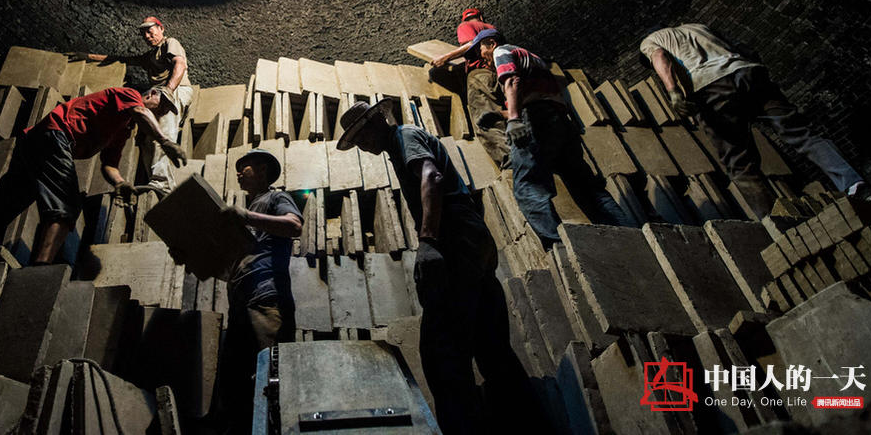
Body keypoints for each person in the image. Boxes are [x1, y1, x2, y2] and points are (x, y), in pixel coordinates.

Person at [335, 98, 530, 434]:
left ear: (379, 120)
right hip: (470, 235)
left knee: (442, 352)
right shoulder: (399, 146)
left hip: (455, 234)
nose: (362, 146)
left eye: (363, 135)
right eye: (356, 143)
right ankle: (526, 421)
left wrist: (427, 241)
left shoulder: (404, 137)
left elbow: (432, 176)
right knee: (490, 344)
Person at [640, 23, 871, 200]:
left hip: (712, 86)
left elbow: (660, 57)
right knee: (801, 135)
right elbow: (745, 49)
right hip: (748, 71)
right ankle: (857, 186)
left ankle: (779, 224)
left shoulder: (650, 42)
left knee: (739, 162)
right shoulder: (699, 27)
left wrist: (673, 91)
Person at [0, 86, 186, 264]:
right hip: (55, 134)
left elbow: (108, 165)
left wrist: (120, 182)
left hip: (40, 144)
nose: (162, 113)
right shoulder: (128, 95)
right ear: (150, 95)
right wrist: (165, 142)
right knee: (68, 205)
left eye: (167, 111)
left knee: (14, 198)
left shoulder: (123, 131)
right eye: (163, 106)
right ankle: (39, 269)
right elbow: (141, 112)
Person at [471, 28, 635, 248]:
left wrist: (513, 120)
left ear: (491, 43)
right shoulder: (535, 59)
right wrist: (500, 114)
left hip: (535, 120)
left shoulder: (501, 51)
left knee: (528, 185)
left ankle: (560, 249)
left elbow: (512, 82)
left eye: (481, 50)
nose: (482, 60)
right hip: (559, 122)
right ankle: (629, 237)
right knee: (586, 187)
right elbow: (537, 95)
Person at [215, 149, 302, 434]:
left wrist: (247, 216)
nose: (239, 173)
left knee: (272, 378)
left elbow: (293, 226)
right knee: (236, 385)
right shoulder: (245, 216)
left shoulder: (276, 198)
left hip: (267, 299)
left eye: (246, 167)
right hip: (240, 305)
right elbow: (229, 264)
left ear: (262, 170)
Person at [85, 16, 192, 190]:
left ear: (161, 28)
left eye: (150, 31)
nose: (148, 37)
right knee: (149, 137)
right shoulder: (149, 56)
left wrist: (169, 91)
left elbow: (180, 64)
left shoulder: (170, 43)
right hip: (159, 93)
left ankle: (162, 182)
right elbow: (120, 59)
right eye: (144, 35)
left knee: (165, 128)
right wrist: (88, 56)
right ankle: (156, 181)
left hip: (176, 89)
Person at [430, 8, 510, 169]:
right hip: (499, 74)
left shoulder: (465, 26)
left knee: (485, 119)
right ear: (481, 16)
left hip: (480, 75)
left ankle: (510, 161)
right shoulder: (492, 29)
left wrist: (445, 57)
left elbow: (471, 43)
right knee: (503, 115)